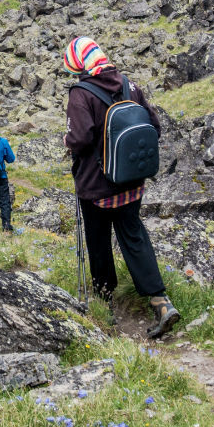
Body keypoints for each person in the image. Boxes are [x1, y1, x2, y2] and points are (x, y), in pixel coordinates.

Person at [62, 36, 179, 338]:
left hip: (96, 187)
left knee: (99, 242)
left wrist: (67, 140)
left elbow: (81, 139)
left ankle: (105, 303)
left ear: (78, 63)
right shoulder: (130, 86)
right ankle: (161, 301)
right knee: (134, 236)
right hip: (131, 183)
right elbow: (154, 126)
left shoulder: (81, 93)